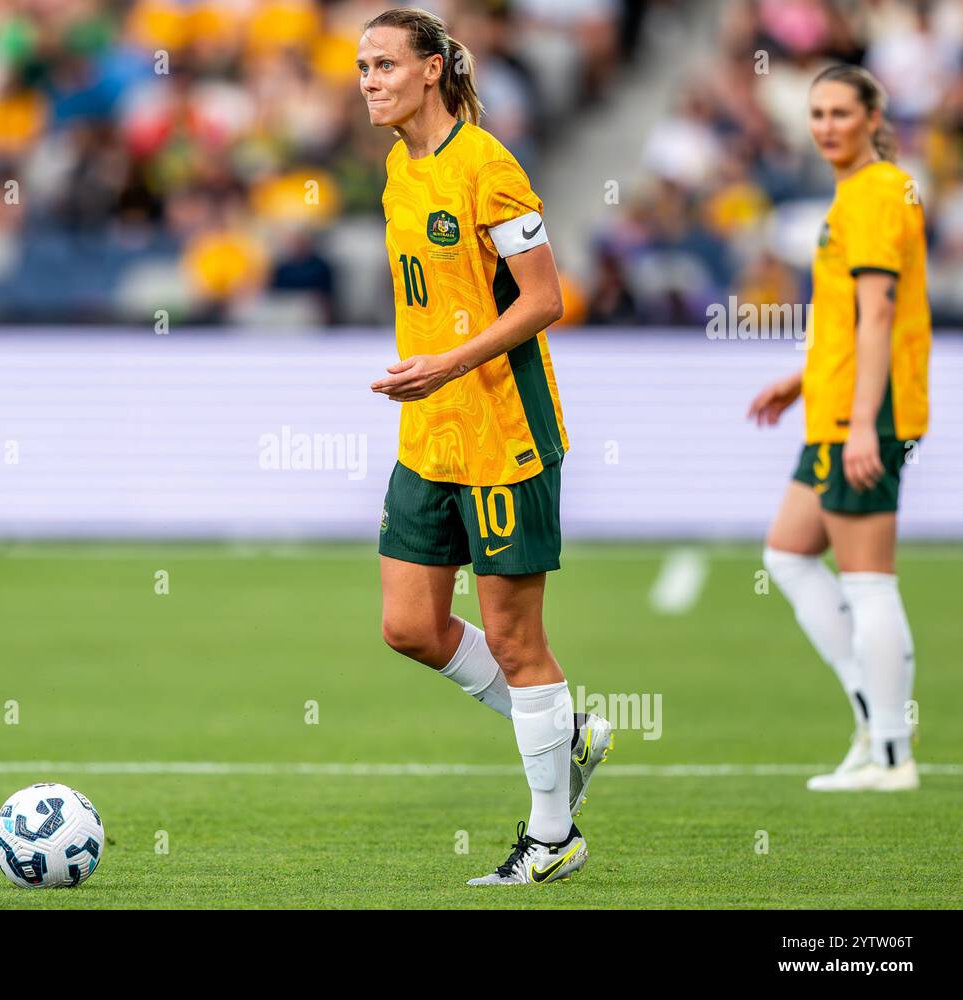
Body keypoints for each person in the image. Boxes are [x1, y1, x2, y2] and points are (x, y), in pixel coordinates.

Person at [358, 7, 612, 885]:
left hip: (504, 432)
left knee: (515, 640)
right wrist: (429, 382)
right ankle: (566, 731)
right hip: (428, 433)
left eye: (385, 63)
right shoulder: (398, 167)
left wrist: (449, 365)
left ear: (433, 70)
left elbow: (545, 301)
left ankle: (553, 837)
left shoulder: (489, 166)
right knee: (409, 626)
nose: (368, 80)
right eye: (361, 66)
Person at [749, 64, 930, 792]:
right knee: (789, 554)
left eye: (840, 113)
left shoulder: (880, 193)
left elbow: (880, 312)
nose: (826, 126)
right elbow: (851, 317)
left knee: (869, 580)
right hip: (837, 406)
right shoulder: (854, 194)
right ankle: (874, 715)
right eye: (816, 113)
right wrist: (803, 380)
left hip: (866, 414)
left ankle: (891, 752)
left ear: (872, 115)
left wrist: (862, 424)